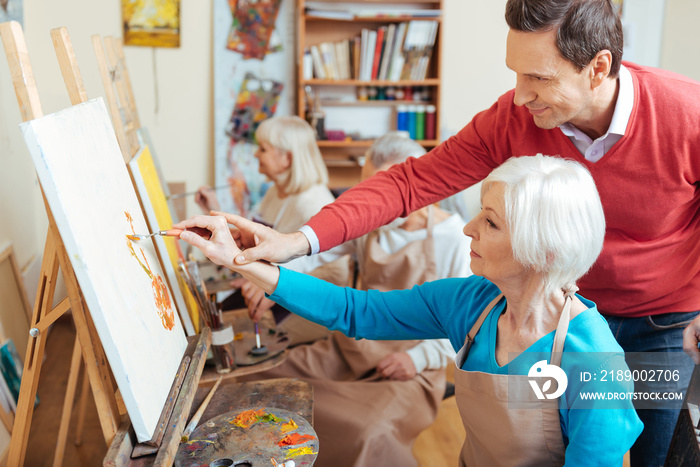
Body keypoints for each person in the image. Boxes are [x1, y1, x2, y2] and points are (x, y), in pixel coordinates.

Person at [217, 2, 700, 464]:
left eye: (538, 78)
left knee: (651, 454)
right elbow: (411, 182)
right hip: (556, 303)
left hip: (660, 323)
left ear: (598, 68)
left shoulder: (686, 113)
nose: (519, 94)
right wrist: (293, 243)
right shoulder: (514, 121)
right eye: (516, 73)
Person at [176, 155, 644, 466]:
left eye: (491, 221)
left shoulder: (594, 359)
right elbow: (356, 311)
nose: (467, 229)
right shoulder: (472, 304)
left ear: (540, 250)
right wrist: (248, 261)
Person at [235, 133, 470, 467]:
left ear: (415, 180)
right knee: (258, 382)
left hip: (410, 367)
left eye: (385, 190)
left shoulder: (456, 239)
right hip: (350, 348)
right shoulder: (371, 223)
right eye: (371, 191)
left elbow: (465, 325)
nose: (377, 202)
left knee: (368, 432)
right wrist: (269, 278)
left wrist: (418, 359)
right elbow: (311, 254)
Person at [197, 115, 350, 345]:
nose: (256, 154)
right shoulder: (275, 193)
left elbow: (334, 273)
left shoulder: (312, 202)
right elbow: (251, 245)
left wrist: (276, 281)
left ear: (287, 158)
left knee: (224, 337)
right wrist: (214, 210)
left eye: (263, 149)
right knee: (207, 321)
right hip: (272, 287)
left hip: (305, 301)